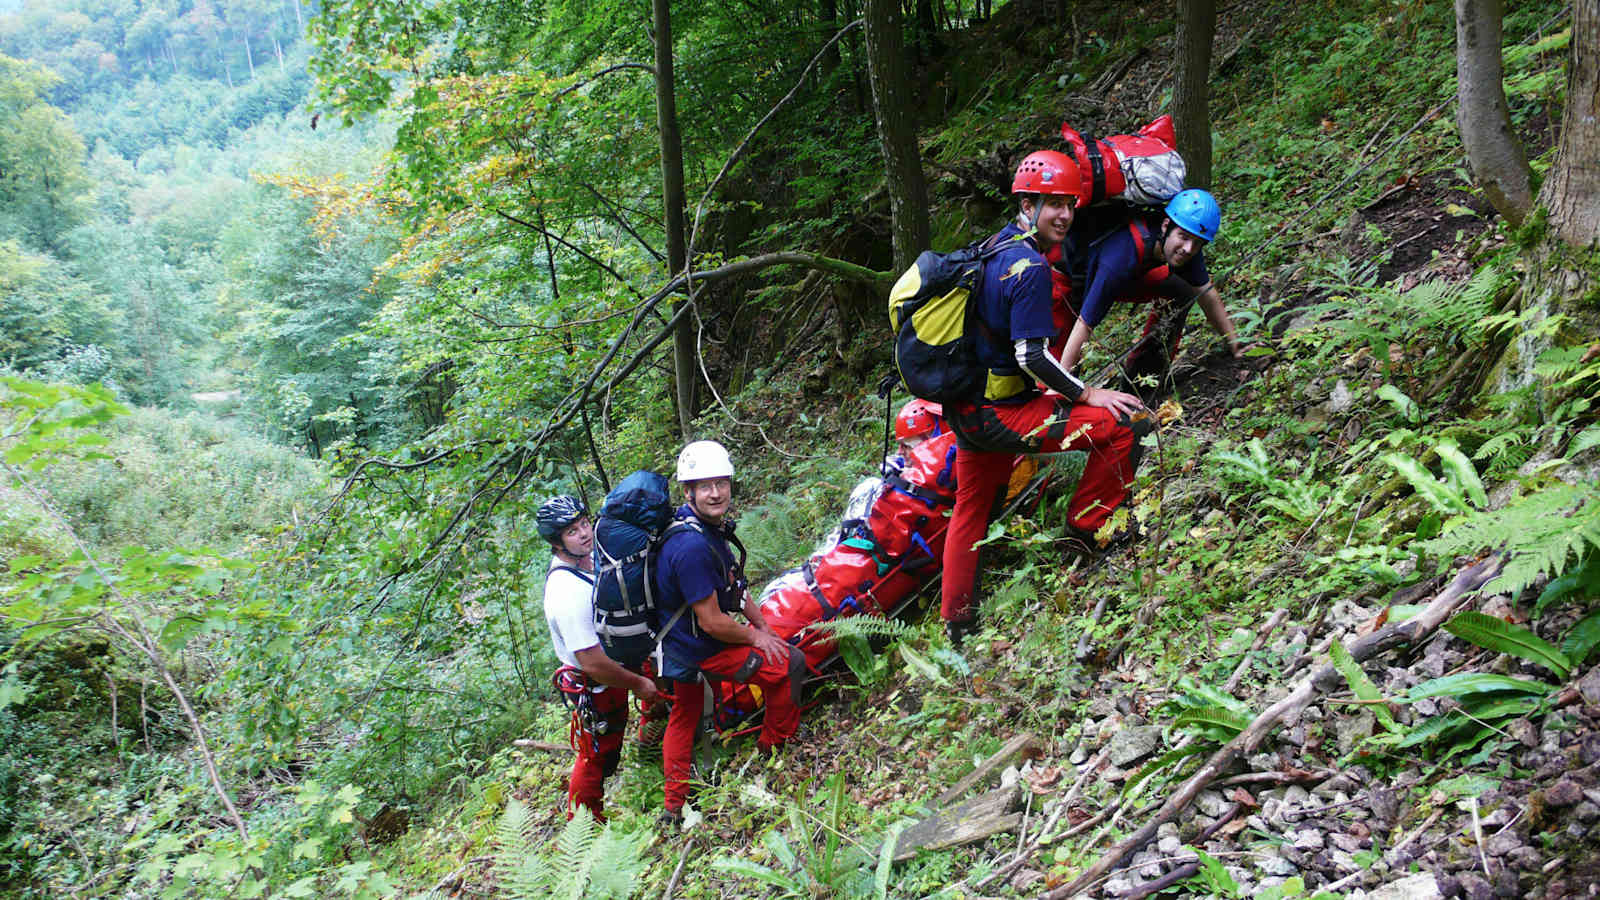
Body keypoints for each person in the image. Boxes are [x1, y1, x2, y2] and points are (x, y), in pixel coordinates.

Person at [940, 150, 1150, 644]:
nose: (1064, 214)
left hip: (968, 410)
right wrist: (1089, 393)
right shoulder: (1028, 267)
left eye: (1069, 205)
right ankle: (1089, 527)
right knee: (1124, 424)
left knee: (972, 508)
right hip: (1003, 413)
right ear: (1026, 203)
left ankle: (957, 624)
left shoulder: (994, 247)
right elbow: (1032, 356)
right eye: (1051, 203)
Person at [653, 440, 804, 824]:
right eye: (705, 486)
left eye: (721, 483)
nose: (716, 492)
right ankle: (774, 749)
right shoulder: (691, 547)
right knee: (788, 665)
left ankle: (674, 806)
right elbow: (713, 621)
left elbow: (734, 590)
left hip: (677, 648)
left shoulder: (707, 530)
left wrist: (764, 625)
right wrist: (759, 639)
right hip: (700, 646)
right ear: (688, 491)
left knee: (684, 714)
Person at [538, 494, 664, 822]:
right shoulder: (566, 593)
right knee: (596, 755)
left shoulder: (591, 560)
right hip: (597, 680)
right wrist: (638, 684)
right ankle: (584, 826)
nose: (583, 533)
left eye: (583, 524)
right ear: (556, 542)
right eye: (571, 531)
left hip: (619, 660)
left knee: (646, 710)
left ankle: (651, 754)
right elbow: (592, 661)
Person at [1055, 189, 1244, 389]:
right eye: (1184, 237)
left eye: (1197, 243)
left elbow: (1207, 295)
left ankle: (1144, 379)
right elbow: (1085, 324)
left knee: (1182, 290)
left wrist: (1235, 343)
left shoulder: (1183, 243)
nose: (1188, 248)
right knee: (1056, 357)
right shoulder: (1120, 257)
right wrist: (1064, 386)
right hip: (1066, 277)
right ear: (1165, 226)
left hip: (1122, 274)